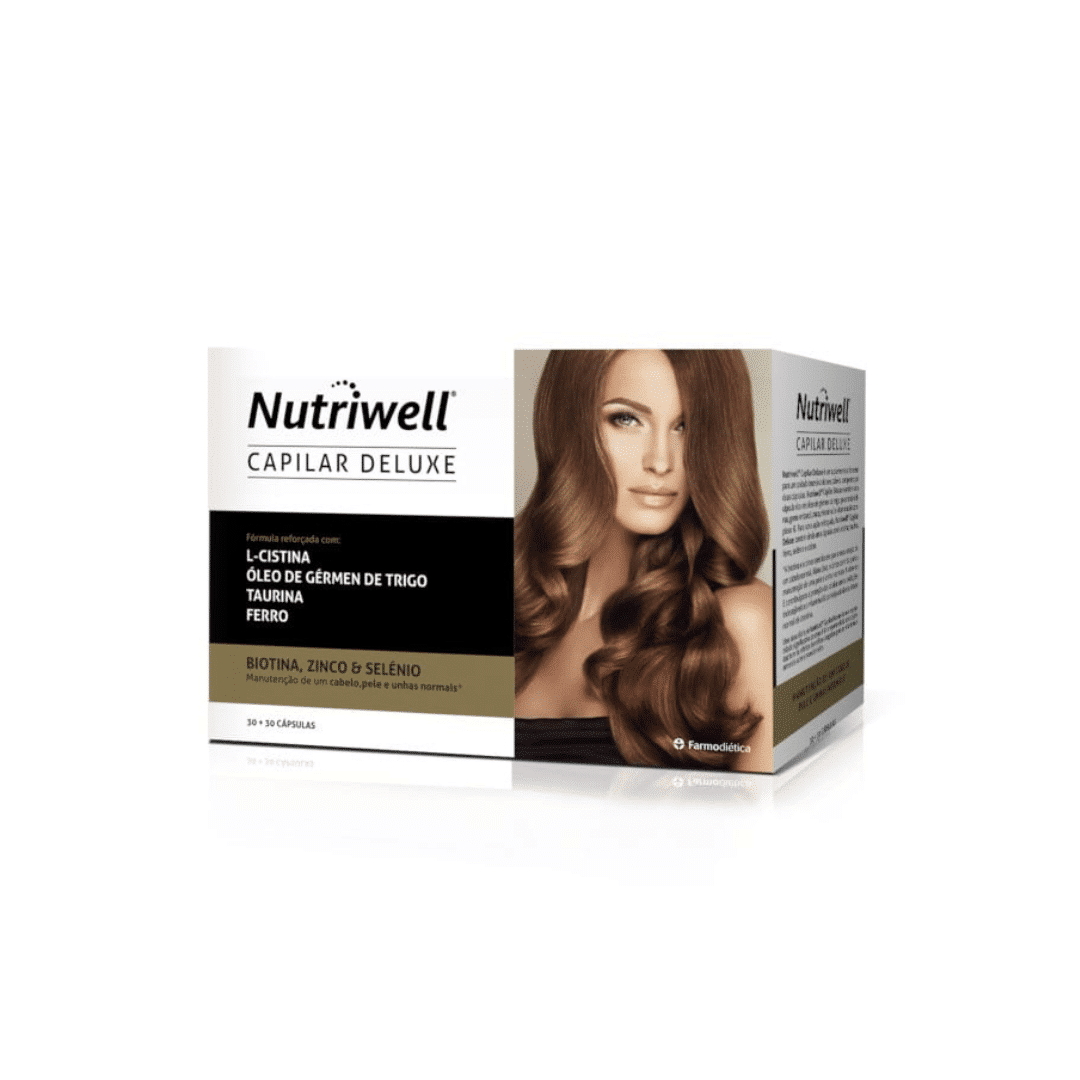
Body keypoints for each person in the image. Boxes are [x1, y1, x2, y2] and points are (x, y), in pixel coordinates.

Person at [514, 349, 772, 771]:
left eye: (685, 427)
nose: (660, 462)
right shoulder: (515, 603)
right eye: (626, 419)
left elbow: (771, 809)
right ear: (568, 423)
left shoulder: (739, 622)